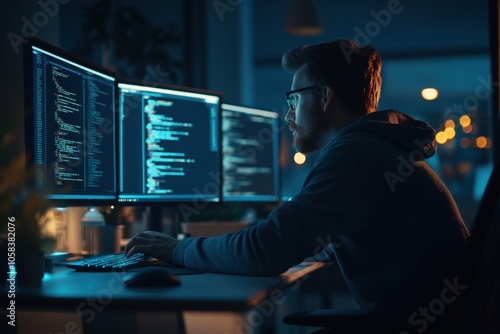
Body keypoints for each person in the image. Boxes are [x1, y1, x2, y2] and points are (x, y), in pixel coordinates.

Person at [125, 39, 470, 312]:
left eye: (293, 99)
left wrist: (176, 248)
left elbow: (265, 251)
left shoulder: (357, 153)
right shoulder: (378, 146)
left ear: (324, 97)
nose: (288, 114)